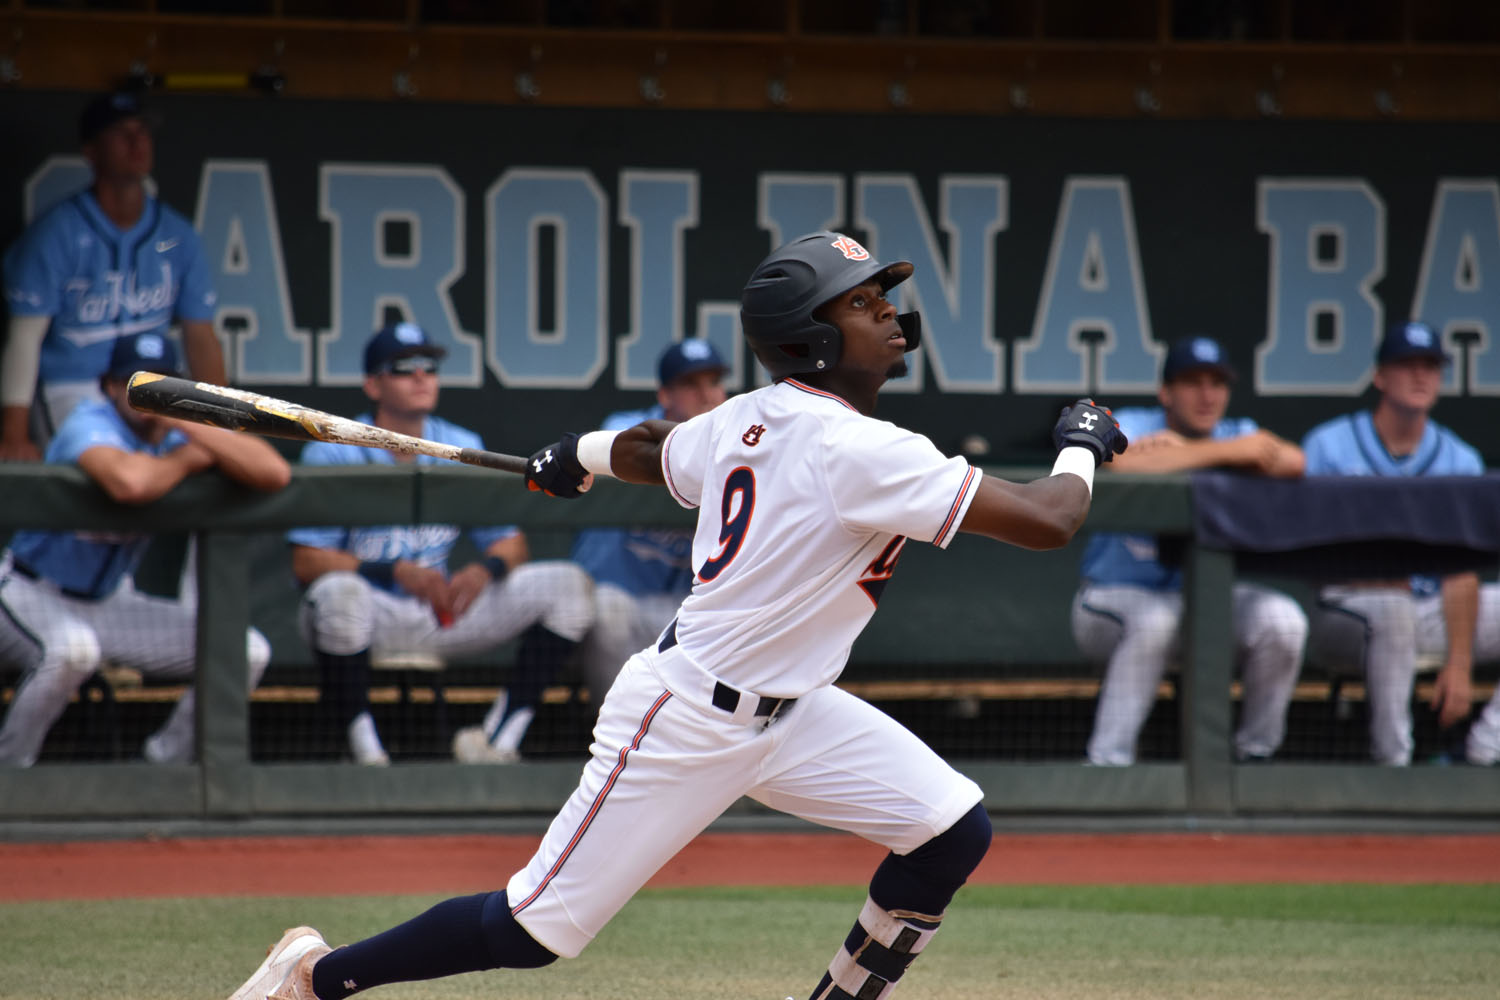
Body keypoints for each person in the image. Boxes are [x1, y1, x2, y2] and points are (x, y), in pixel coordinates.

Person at [224, 231, 1127, 1000]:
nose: (889, 310)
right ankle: (315, 977)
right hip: (687, 714)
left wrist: (573, 453)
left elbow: (657, 450)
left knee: (951, 827)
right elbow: (1052, 519)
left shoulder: (751, 416)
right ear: (813, 334)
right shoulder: (861, 447)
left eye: (884, 293)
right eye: (863, 301)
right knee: (533, 931)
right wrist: (1081, 442)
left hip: (797, 709)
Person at [285, 322, 594, 766]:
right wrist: (392, 571)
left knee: (568, 585)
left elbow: (511, 544)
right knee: (338, 594)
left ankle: (494, 741)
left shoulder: (462, 444)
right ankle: (366, 756)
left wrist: (484, 570)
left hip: (442, 610)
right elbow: (306, 562)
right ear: (373, 384)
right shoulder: (334, 448)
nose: (421, 376)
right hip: (370, 611)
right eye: (403, 367)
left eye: (429, 367)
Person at [0, 331, 286, 766]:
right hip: (27, 592)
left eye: (164, 383)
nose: (152, 393)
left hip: (108, 604)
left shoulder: (173, 432)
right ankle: (10, 771)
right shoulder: (88, 422)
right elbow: (129, 483)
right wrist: (187, 459)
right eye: (139, 383)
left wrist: (182, 421)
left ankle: (162, 765)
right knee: (72, 651)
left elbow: (274, 472)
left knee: (244, 650)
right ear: (112, 386)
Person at [1071, 335, 1309, 765]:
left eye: (1217, 383)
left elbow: (1294, 462)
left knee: (1283, 622)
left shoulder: (1237, 432)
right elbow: (1116, 461)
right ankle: (1107, 763)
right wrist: (1226, 454)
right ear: (1166, 392)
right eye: (1192, 382)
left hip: (1203, 604)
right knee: (1155, 621)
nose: (1206, 394)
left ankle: (1253, 758)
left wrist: (1197, 452)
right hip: (1111, 600)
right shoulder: (1133, 423)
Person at [1302, 321, 1500, 766]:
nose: (1419, 376)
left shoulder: (1459, 458)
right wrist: (1378, 572)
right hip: (1346, 612)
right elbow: (1309, 554)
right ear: (1379, 377)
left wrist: (1460, 663)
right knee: (1392, 612)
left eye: (1430, 366)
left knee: (1410, 611)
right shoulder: (1329, 445)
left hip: (1429, 610)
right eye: (1406, 364)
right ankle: (1394, 766)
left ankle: (1483, 751)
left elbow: (1460, 570)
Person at [1, 90, 226, 461]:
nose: (137, 142)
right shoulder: (54, 235)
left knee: (191, 471)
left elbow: (200, 334)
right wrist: (13, 434)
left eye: (143, 132)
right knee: (110, 487)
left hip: (152, 385)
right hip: (73, 387)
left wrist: (221, 421)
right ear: (91, 150)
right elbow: (24, 338)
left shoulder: (177, 235)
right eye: (122, 133)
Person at [569, 338, 727, 706]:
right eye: (691, 385)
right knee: (606, 608)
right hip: (624, 605)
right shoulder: (626, 428)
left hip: (687, 609)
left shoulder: (739, 438)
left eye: (714, 382)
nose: (707, 395)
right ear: (665, 395)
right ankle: (617, 728)